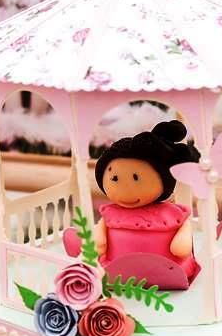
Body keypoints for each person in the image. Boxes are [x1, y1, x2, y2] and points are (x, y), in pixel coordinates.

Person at [66, 121, 202, 290]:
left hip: (169, 270)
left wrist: (183, 241)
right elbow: (99, 242)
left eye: (136, 178)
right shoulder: (110, 214)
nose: (126, 189)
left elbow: (182, 242)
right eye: (115, 179)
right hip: (115, 272)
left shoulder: (172, 214)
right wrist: (97, 242)